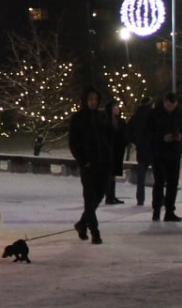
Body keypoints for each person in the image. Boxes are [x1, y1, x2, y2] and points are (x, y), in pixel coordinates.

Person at [68, 86, 112, 244]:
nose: (93, 102)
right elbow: (73, 142)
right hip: (88, 164)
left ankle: (82, 223)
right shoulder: (79, 118)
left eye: (95, 100)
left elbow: (108, 138)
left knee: (98, 196)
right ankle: (95, 231)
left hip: (103, 163)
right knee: (89, 197)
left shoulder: (102, 116)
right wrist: (83, 160)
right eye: (90, 99)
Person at [150, 92, 182, 222]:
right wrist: (162, 137)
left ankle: (169, 211)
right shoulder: (155, 114)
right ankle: (156, 210)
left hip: (174, 153)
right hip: (159, 153)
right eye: (168, 105)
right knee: (159, 183)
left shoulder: (180, 115)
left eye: (172, 106)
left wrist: (180, 137)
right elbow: (148, 133)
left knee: (173, 184)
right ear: (164, 102)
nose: (170, 108)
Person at [128, 96, 154, 206]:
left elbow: (128, 132)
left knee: (141, 177)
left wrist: (135, 141)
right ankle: (159, 199)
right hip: (153, 148)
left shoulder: (136, 116)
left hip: (142, 149)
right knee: (158, 176)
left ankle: (140, 199)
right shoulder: (154, 116)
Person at [103, 101, 127, 204]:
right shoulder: (107, 121)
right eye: (114, 109)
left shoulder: (120, 121)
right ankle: (109, 196)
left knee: (113, 175)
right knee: (109, 175)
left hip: (117, 151)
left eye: (117, 108)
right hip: (110, 151)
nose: (116, 110)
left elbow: (124, 134)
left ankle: (112, 195)